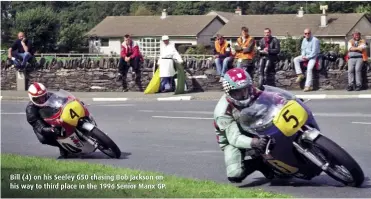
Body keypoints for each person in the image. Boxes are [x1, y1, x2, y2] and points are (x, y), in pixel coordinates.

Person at [213, 67, 275, 183]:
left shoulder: (252, 92)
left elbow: (270, 98)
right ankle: (258, 163)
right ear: (229, 92)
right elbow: (234, 138)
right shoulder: (222, 111)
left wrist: (285, 100)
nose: (243, 94)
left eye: (245, 90)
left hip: (254, 127)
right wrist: (254, 142)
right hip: (232, 141)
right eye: (237, 92)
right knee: (235, 175)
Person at [25, 82, 68, 158]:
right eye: (38, 98)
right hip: (46, 124)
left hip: (59, 116)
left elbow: (65, 100)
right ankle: (63, 146)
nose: (42, 100)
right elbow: (37, 124)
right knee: (43, 138)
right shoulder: (30, 109)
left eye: (43, 96)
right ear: (32, 98)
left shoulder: (50, 96)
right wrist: (49, 129)